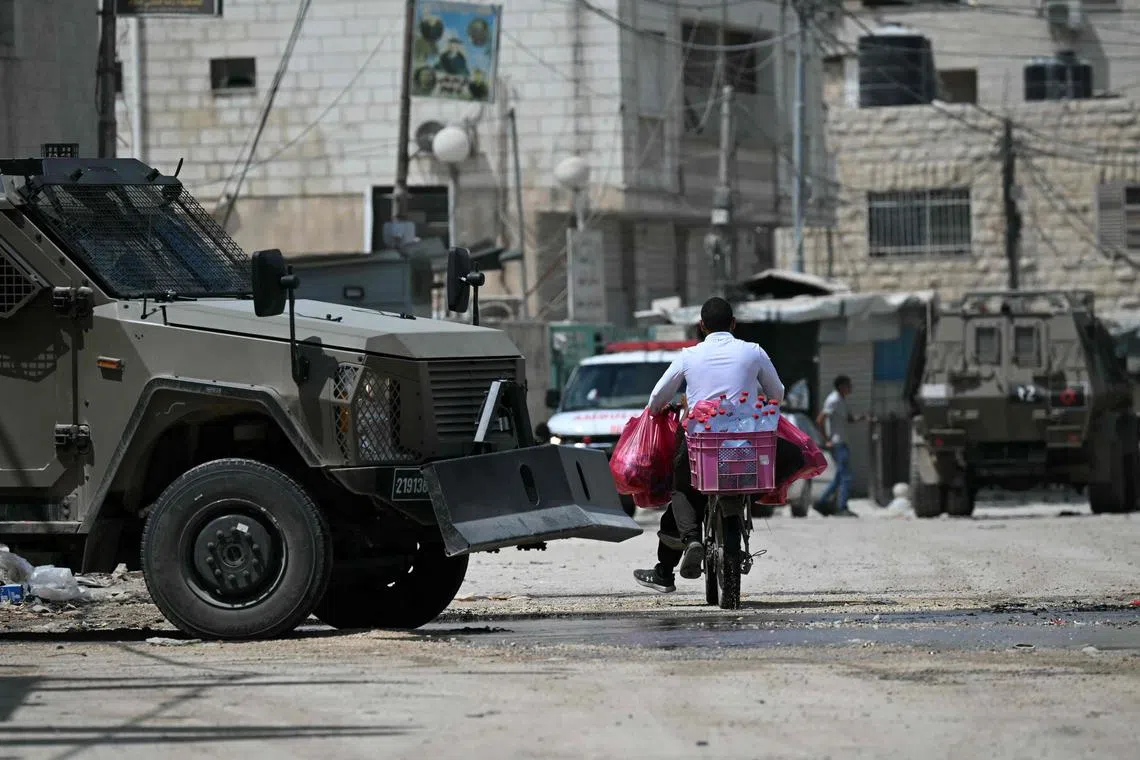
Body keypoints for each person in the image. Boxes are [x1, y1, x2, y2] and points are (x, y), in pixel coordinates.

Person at [633, 297, 785, 593]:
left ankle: (686, 547)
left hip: (701, 440)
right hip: (747, 441)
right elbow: (776, 391)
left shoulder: (689, 355)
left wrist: (658, 411)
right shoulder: (753, 351)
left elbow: (656, 399)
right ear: (734, 324)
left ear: (701, 326)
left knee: (683, 488)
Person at [812, 375, 866, 518]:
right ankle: (842, 508)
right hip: (838, 443)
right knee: (846, 476)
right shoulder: (834, 399)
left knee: (839, 477)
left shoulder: (841, 400)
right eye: (849, 385)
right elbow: (820, 419)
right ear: (842, 386)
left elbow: (847, 419)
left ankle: (821, 503)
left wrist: (861, 418)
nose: (851, 388)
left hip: (842, 442)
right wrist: (826, 439)